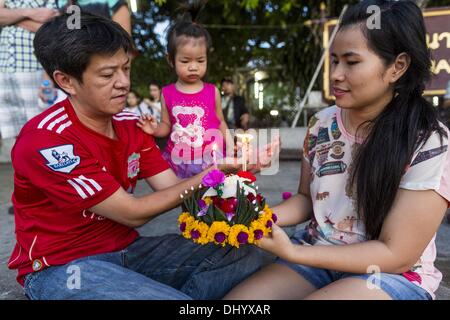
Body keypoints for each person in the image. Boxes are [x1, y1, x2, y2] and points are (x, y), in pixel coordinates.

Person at [8, 12, 267, 300]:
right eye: (108, 74)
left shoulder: (132, 123)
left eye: (126, 68)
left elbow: (173, 188)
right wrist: (210, 173)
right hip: (64, 267)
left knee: (244, 250)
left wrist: (230, 175)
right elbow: (132, 213)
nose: (123, 82)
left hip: (130, 252)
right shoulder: (47, 139)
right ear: (67, 81)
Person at [225, 0, 449, 300]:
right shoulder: (321, 124)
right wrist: (256, 217)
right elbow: (307, 199)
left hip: (391, 274)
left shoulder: (429, 141)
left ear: (397, 66)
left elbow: (397, 254)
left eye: (351, 62)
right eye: (334, 60)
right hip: (320, 256)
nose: (336, 74)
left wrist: (291, 251)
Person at [137, 2, 229, 179]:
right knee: (188, 203)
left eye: (200, 61)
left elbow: (221, 122)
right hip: (180, 162)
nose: (193, 67)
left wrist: (232, 147)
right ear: (171, 60)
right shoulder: (167, 93)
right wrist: (154, 129)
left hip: (211, 159)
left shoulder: (212, 91)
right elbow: (166, 125)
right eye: (185, 61)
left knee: (214, 201)